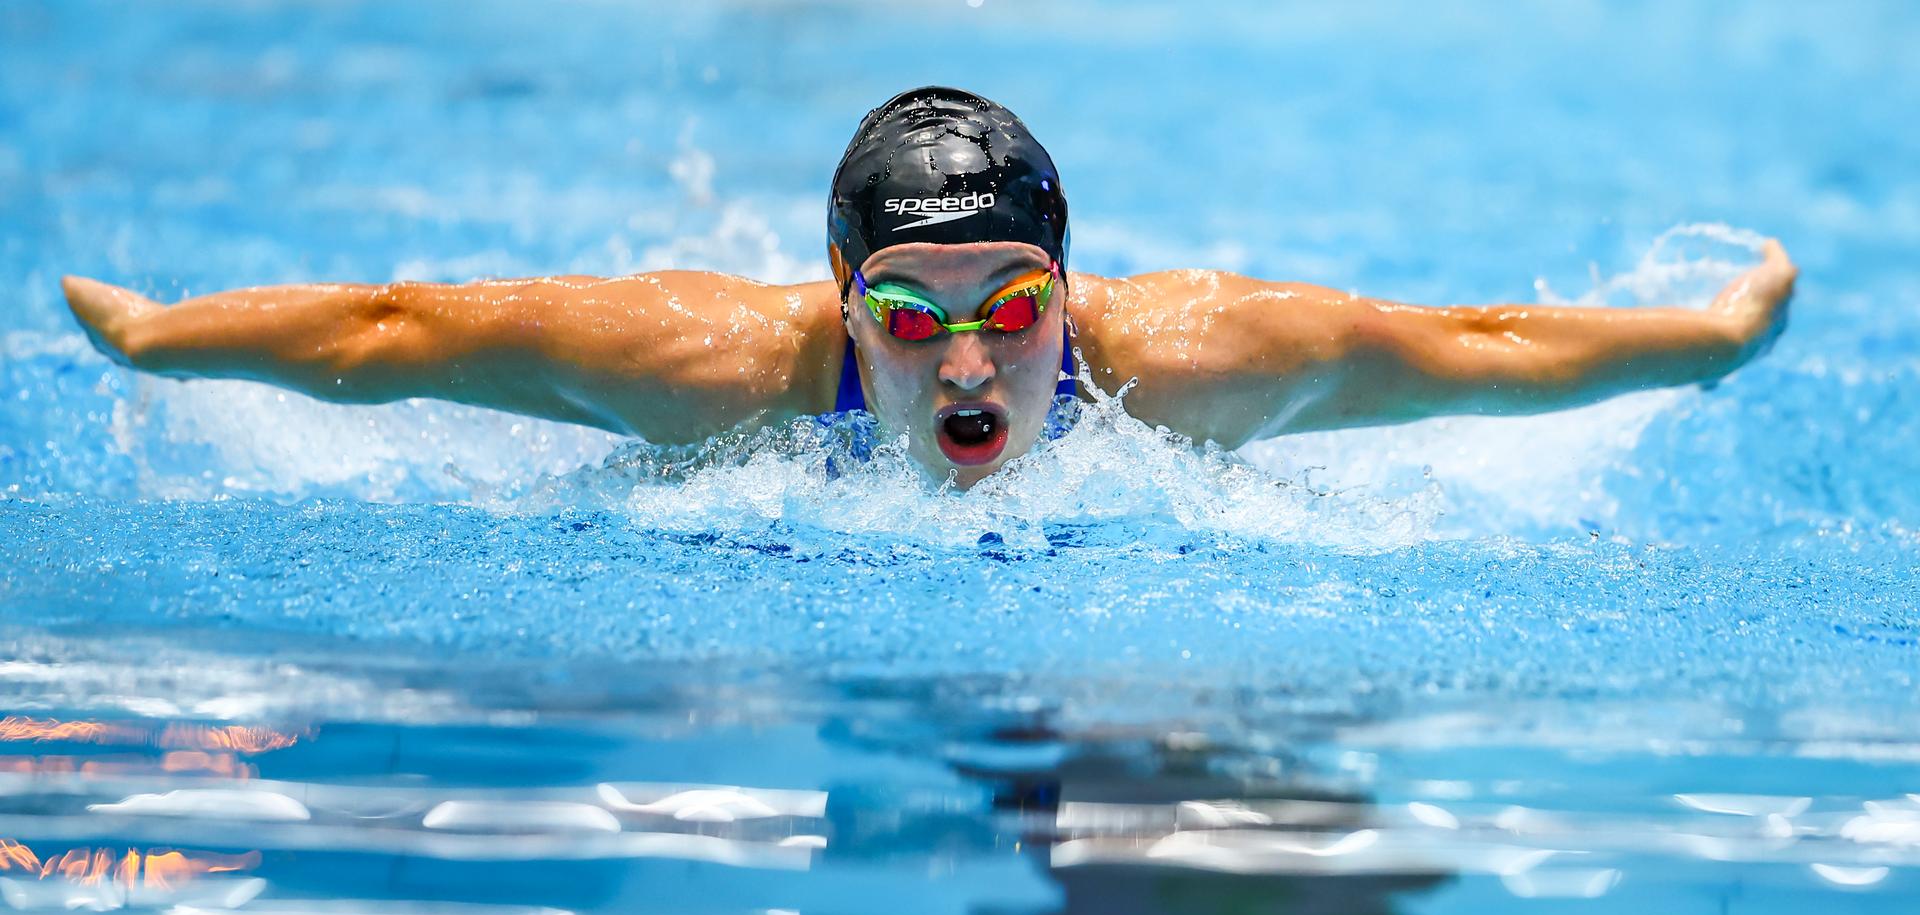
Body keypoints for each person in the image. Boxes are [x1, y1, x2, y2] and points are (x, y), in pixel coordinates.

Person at [62, 86, 1795, 489]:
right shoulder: (716, 366)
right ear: (837, 305)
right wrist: (152, 338)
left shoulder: (1200, 361)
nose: (967, 360)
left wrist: (1710, 342)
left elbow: (1481, 343)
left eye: (1012, 302)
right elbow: (397, 330)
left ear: (1071, 282)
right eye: (906, 311)